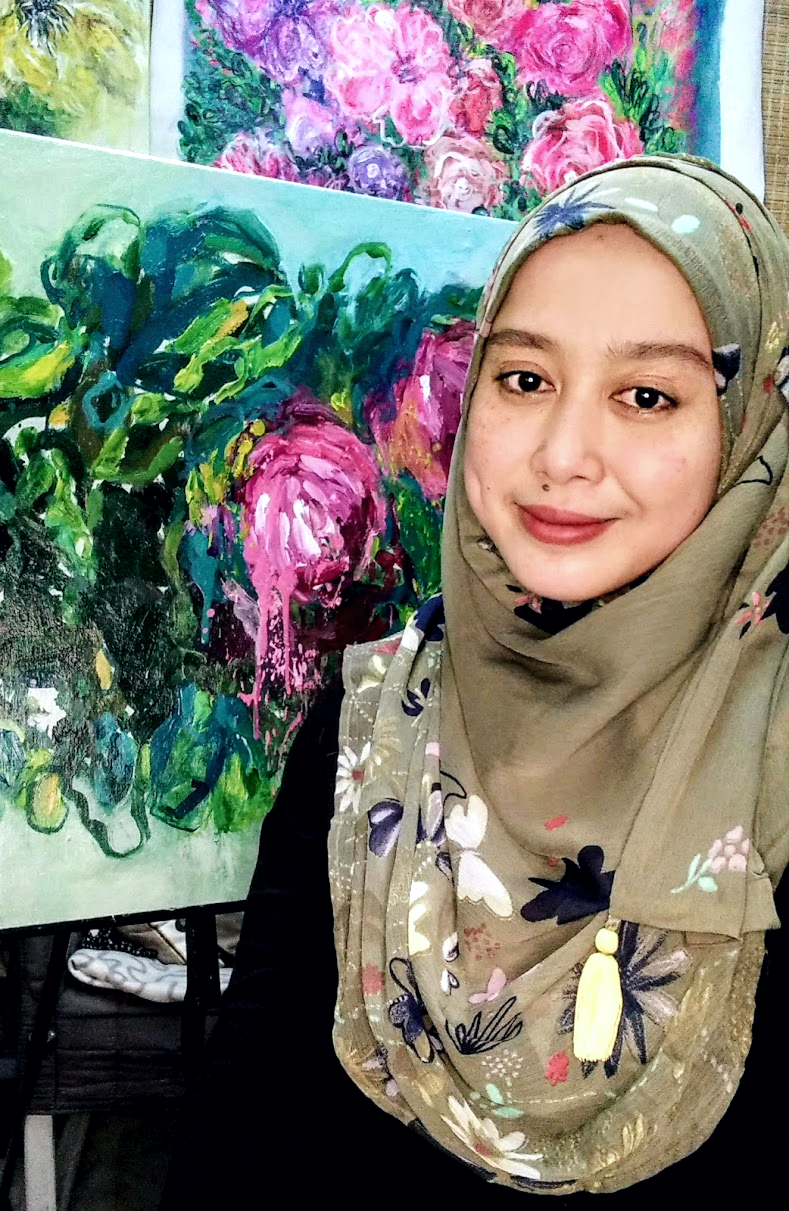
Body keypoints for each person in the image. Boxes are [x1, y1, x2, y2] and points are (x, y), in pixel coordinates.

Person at [160, 155, 789, 1205]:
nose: (563, 453)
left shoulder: (775, 751)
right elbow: (245, 1131)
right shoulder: (373, 724)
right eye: (525, 378)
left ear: (751, 427)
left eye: (646, 395)